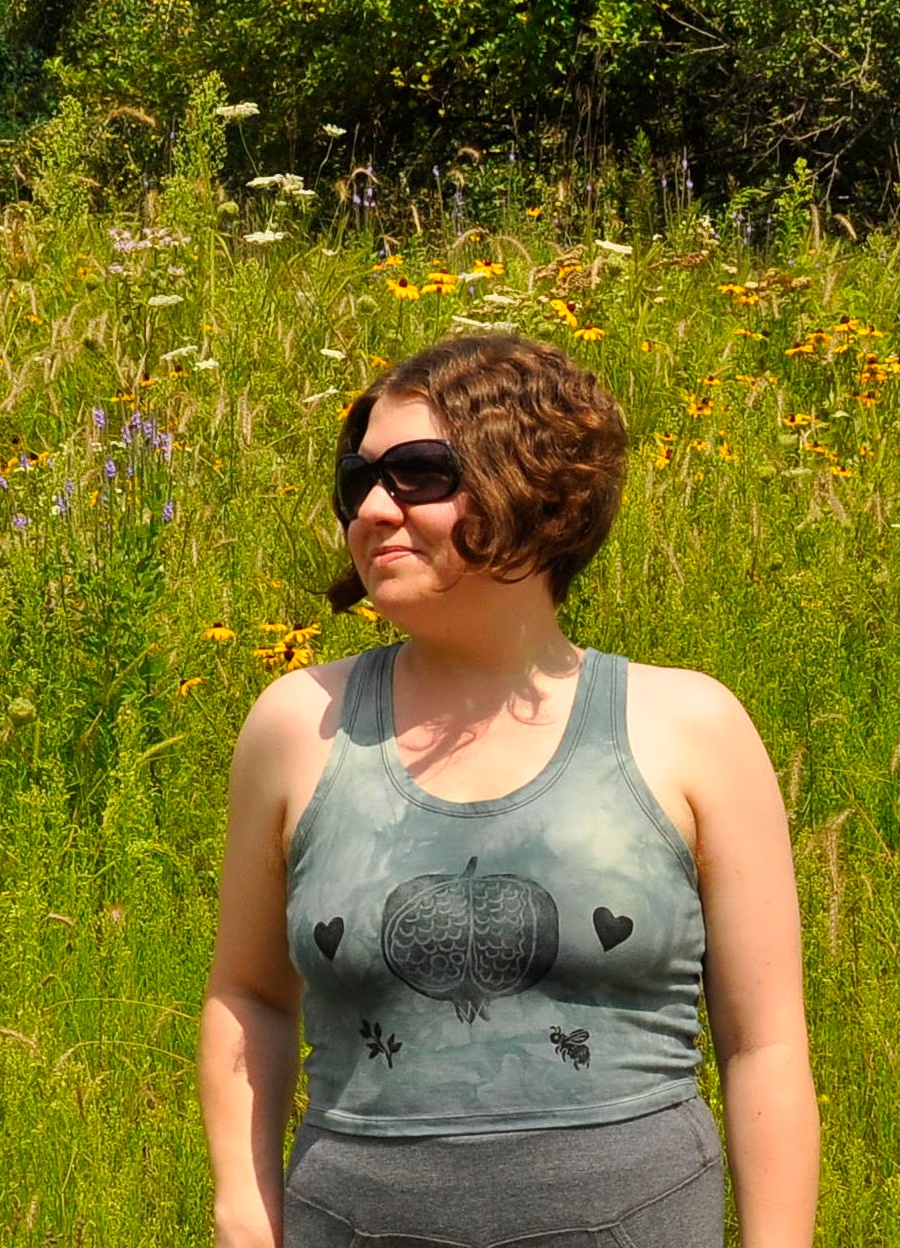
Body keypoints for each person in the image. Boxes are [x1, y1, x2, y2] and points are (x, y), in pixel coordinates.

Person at [198, 333, 819, 1248]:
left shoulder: (690, 727)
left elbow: (764, 1043)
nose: (373, 508)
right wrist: (244, 1217)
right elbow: (249, 995)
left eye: (417, 473)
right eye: (356, 480)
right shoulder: (299, 724)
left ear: (535, 485)